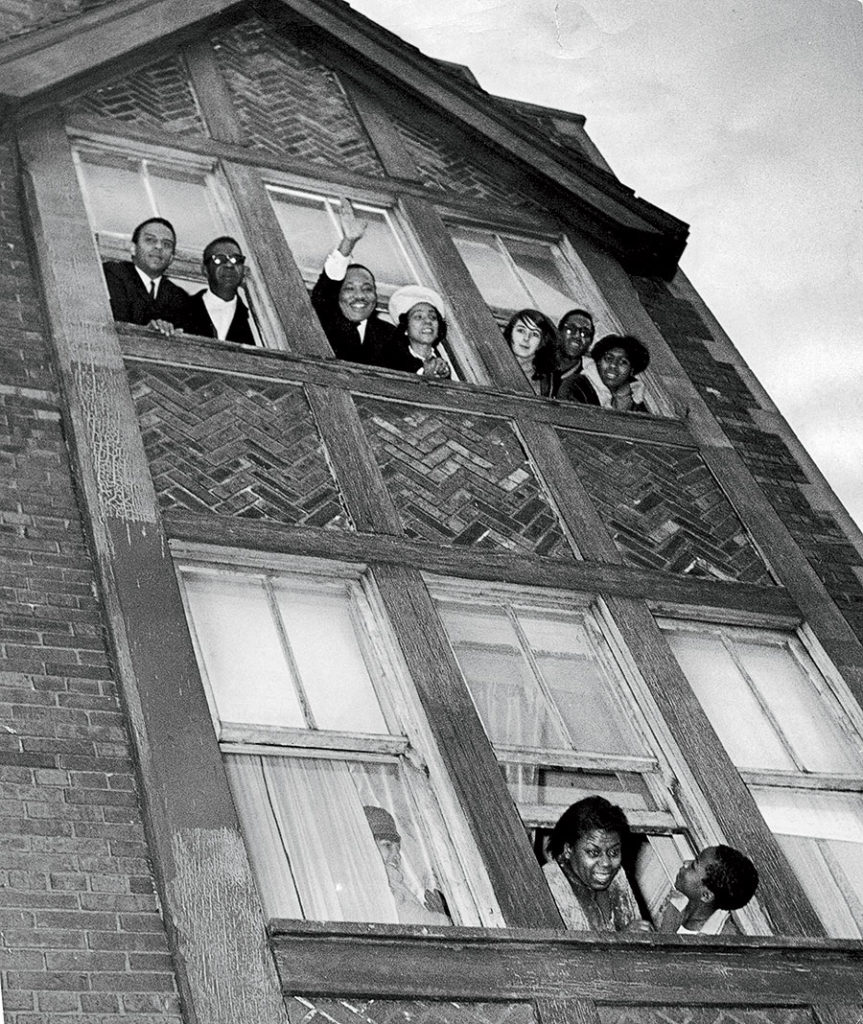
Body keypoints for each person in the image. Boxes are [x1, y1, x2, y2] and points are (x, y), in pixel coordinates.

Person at [543, 795, 651, 932]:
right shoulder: (550, 884)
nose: (606, 863)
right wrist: (623, 941)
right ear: (568, 849)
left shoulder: (618, 878)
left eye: (614, 853)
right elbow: (557, 951)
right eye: (593, 853)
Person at [310, 197, 397, 367]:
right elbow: (327, 285)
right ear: (337, 295)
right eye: (349, 288)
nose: (360, 296)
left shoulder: (390, 334)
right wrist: (348, 242)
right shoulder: (324, 321)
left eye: (367, 289)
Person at [363, 805, 451, 926]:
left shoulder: (397, 885)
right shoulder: (372, 885)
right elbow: (409, 922)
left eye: (397, 848)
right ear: (366, 845)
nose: (396, 855)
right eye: (387, 845)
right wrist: (444, 920)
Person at [102, 217, 189, 336]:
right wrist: (147, 332)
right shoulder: (113, 274)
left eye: (166, 244)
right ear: (133, 248)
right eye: (150, 240)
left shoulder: (179, 296)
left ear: (171, 258)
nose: (159, 247)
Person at [658, 845, 759, 935]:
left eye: (693, 866)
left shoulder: (720, 942)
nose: (686, 863)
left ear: (706, 895)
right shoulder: (676, 903)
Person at [178, 236, 255, 345]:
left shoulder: (254, 320)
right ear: (205, 270)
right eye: (219, 259)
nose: (229, 265)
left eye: (236, 259)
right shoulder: (180, 310)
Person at [562, 333, 650, 413]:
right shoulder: (576, 385)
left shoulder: (634, 397)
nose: (613, 365)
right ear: (598, 361)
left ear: (631, 370)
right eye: (608, 358)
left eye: (623, 362)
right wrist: (618, 412)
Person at [387, 285, 452, 379]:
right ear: (405, 329)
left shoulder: (442, 365)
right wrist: (425, 374)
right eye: (418, 317)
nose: (428, 321)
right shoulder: (392, 361)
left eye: (433, 317)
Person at [503, 309, 557, 395]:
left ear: (542, 342)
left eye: (535, 334)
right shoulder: (492, 363)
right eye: (521, 331)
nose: (526, 338)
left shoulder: (548, 380)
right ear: (510, 333)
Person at [551, 309, 595, 399]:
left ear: (590, 342)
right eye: (570, 329)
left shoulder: (587, 381)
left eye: (585, 333)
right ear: (558, 332)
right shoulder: (535, 363)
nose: (577, 336)